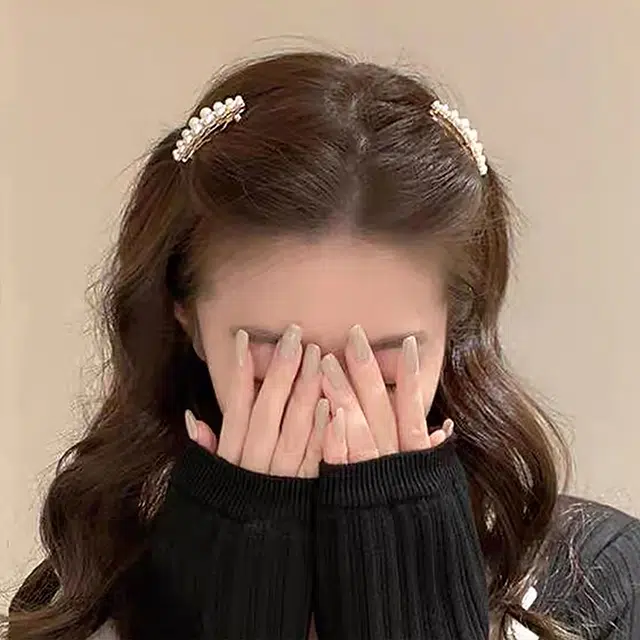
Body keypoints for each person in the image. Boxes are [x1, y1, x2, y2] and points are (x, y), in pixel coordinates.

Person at [3, 50, 639, 640]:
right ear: (187, 320)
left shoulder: (597, 577)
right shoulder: (87, 582)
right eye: (277, 363)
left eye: (382, 369)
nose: (330, 404)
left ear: (455, 328)